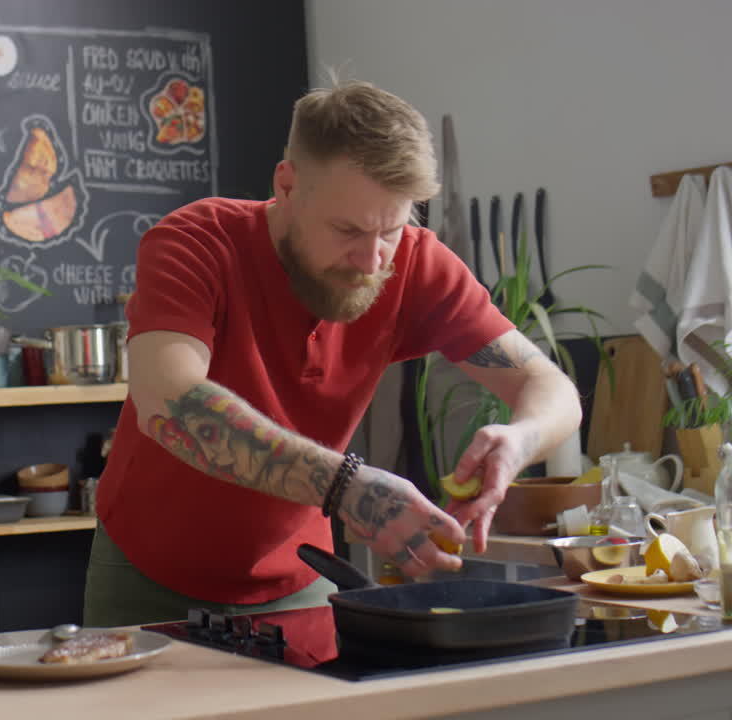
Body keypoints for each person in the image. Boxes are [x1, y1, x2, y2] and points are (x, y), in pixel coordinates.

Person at [83, 80, 582, 627]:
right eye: (347, 229)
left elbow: (550, 389)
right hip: (148, 574)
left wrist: (518, 440)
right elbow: (168, 399)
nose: (371, 260)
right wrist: (344, 485)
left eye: (391, 229)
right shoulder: (197, 243)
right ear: (288, 185)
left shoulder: (416, 265)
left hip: (300, 576)